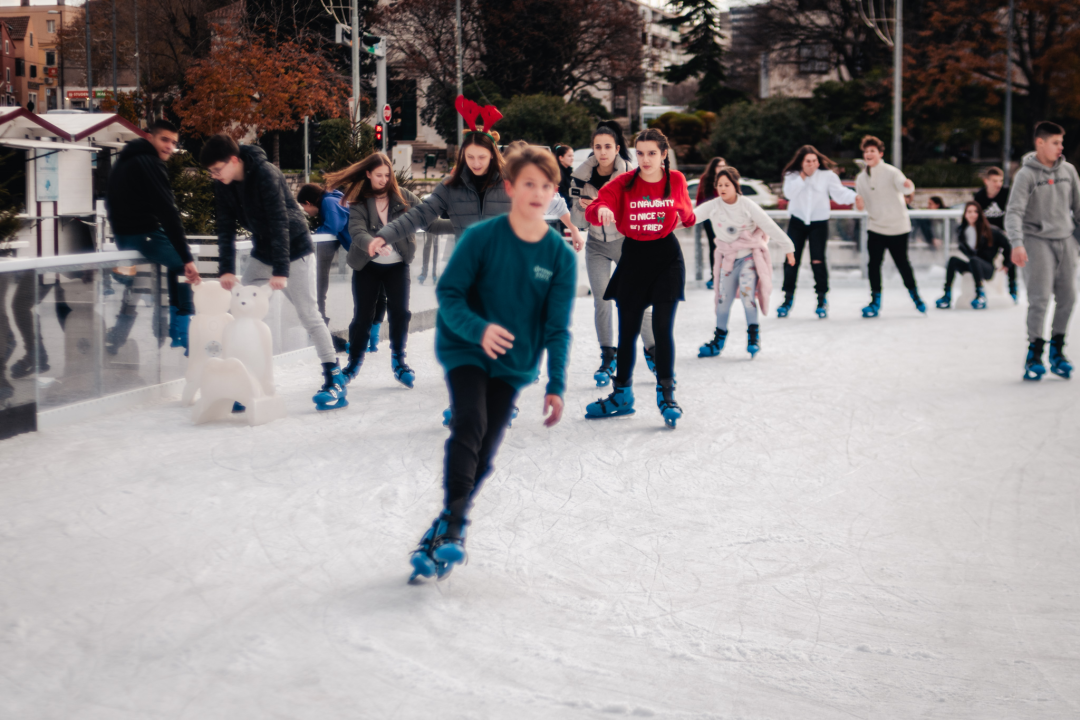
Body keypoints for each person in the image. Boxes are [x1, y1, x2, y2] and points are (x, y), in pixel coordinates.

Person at [408, 145, 576, 582]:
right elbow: (450, 295)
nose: (537, 193)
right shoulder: (482, 239)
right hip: (466, 346)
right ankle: (457, 526)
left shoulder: (559, 255)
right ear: (510, 188)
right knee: (470, 423)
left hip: (514, 360)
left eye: (545, 185)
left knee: (488, 445)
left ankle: (445, 521)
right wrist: (479, 329)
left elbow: (557, 327)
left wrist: (556, 383)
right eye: (527, 185)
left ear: (553, 191)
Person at [373, 105, 511, 424]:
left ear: (492, 156)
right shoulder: (449, 188)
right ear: (463, 157)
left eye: (482, 157)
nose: (476, 163)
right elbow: (419, 216)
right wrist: (385, 235)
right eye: (471, 157)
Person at [199, 134, 348, 411]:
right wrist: (227, 269)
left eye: (218, 170)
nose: (215, 176)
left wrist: (281, 270)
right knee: (239, 311)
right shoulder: (224, 184)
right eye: (212, 172)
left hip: (295, 248)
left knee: (308, 314)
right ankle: (245, 381)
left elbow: (280, 221)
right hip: (264, 251)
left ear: (234, 160)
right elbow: (225, 227)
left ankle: (334, 378)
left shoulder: (265, 173)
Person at [583, 127, 696, 428]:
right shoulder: (623, 183)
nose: (646, 159)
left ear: (663, 155)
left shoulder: (676, 180)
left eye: (652, 153)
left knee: (662, 328)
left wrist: (687, 216)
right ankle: (622, 395)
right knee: (628, 332)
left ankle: (667, 395)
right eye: (641, 153)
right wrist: (604, 209)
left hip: (666, 259)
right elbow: (595, 207)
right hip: (633, 258)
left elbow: (687, 213)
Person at [570, 121, 658, 388]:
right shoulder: (580, 176)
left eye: (608, 146)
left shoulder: (631, 174)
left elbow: (641, 209)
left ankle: (654, 353)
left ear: (617, 148)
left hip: (625, 242)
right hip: (596, 244)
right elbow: (578, 218)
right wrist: (588, 210)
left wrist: (603, 206)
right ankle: (608, 356)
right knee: (602, 300)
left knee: (636, 299)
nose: (603, 151)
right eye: (598, 147)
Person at [322, 152, 421, 388]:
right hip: (367, 266)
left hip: (397, 266)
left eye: (387, 175)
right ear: (368, 174)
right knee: (363, 316)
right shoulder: (359, 201)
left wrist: (461, 225)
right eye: (379, 175)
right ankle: (353, 363)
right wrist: (372, 243)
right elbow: (356, 231)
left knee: (400, 313)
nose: (384, 179)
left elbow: (429, 218)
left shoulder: (404, 197)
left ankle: (399, 360)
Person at [106, 119, 201, 353]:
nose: (169, 146)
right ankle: (182, 332)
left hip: (125, 235)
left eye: (173, 142)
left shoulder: (125, 159)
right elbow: (168, 211)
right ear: (151, 138)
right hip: (141, 234)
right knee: (182, 266)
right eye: (164, 140)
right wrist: (188, 258)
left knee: (172, 265)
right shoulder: (150, 162)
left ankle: (126, 335)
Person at [1005, 121, 1080, 381]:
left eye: (1061, 142)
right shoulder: (1026, 174)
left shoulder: (1069, 171)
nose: (1061, 147)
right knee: (1039, 300)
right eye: (1055, 142)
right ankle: (1035, 353)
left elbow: (1078, 209)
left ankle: (1058, 351)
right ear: (1040, 143)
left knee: (1069, 297)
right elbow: (1014, 211)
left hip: (1067, 240)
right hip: (1037, 241)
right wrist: (1017, 242)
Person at [695, 166, 796, 359]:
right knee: (723, 300)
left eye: (727, 184)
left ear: (735, 185)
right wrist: (666, 224)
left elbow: (768, 225)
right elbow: (691, 217)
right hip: (728, 260)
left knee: (747, 295)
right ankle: (718, 340)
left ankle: (753, 337)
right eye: (720, 185)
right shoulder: (714, 205)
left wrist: (788, 247)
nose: (723, 188)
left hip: (748, 258)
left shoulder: (746, 204)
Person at [778, 145, 856, 319]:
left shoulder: (828, 176)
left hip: (819, 223)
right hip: (797, 222)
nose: (811, 164)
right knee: (791, 260)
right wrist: (803, 176)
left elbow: (839, 194)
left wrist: (855, 197)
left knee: (818, 260)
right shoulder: (792, 176)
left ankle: (821, 299)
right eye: (808, 161)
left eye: (814, 161)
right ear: (801, 162)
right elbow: (789, 194)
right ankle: (787, 299)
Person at [854, 135, 926, 317]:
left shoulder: (891, 171)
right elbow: (859, 204)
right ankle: (875, 301)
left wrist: (909, 186)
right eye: (866, 151)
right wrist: (859, 206)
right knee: (873, 265)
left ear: (880, 153)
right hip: (876, 227)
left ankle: (916, 297)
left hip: (897, 227)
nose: (869, 154)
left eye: (872, 151)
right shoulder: (861, 178)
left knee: (902, 264)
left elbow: (905, 187)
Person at [297, 182, 353, 353]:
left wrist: (314, 236)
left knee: (319, 288)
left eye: (304, 207)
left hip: (363, 250)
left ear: (308, 202)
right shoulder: (333, 198)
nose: (306, 212)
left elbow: (333, 227)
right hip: (360, 249)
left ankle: (323, 335)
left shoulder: (329, 202)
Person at [934, 201, 1014, 310]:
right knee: (953, 260)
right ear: (965, 214)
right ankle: (947, 295)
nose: (972, 214)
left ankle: (980, 294)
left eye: (975, 212)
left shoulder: (991, 231)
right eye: (969, 212)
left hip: (987, 268)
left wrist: (1007, 264)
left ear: (980, 214)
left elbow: (1008, 246)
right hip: (973, 265)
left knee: (974, 260)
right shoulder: (962, 231)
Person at [696, 157, 725, 290]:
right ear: (713, 167)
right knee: (714, 247)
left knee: (727, 247)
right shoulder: (706, 179)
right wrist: (698, 216)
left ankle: (725, 275)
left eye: (723, 166)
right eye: (719, 166)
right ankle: (715, 276)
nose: (721, 168)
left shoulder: (727, 178)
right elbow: (700, 198)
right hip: (710, 218)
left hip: (725, 218)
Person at [553, 143, 575, 207]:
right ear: (561, 158)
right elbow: (562, 193)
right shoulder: (558, 173)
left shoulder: (569, 171)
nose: (572, 158)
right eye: (569, 156)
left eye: (573, 156)